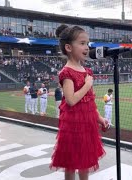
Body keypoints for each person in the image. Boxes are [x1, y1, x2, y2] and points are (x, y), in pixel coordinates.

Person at [49, 24, 109, 180]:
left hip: (88, 125)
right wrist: (87, 85)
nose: (86, 47)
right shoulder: (66, 72)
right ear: (68, 47)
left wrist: (100, 119)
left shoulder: (87, 71)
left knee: (85, 163)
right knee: (70, 164)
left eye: (87, 44)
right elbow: (71, 100)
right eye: (82, 43)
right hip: (72, 126)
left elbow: (90, 103)